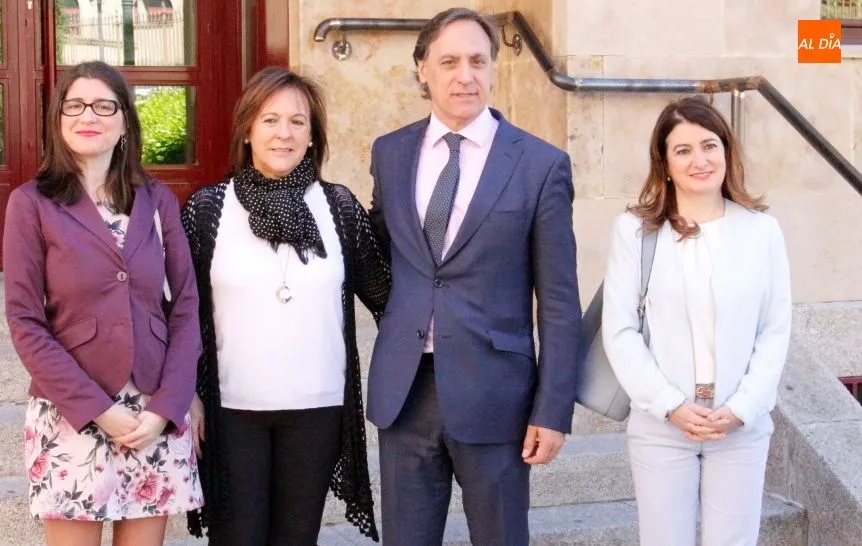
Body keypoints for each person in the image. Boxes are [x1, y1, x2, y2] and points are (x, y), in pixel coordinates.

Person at [366, 7, 581, 545]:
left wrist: (552, 410)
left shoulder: (540, 164)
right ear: (422, 70)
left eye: (477, 61)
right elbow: (378, 258)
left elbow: (557, 301)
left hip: (498, 396)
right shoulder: (390, 154)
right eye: (449, 61)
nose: (465, 74)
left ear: (493, 68)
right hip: (406, 392)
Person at [182, 66, 389, 545]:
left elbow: (388, 297)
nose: (284, 133)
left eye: (298, 121)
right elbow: (180, 313)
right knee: (237, 538)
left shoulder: (338, 207)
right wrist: (186, 393)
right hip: (231, 409)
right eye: (270, 119)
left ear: (313, 136)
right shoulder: (208, 209)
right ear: (248, 130)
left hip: (316, 407)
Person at [2, 61, 203, 546]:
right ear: (58, 119)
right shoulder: (32, 204)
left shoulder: (157, 201)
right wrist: (98, 409)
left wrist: (170, 403)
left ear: (124, 121)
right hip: (74, 408)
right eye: (74, 105)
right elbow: (25, 320)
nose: (87, 115)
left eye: (103, 105)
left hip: (150, 413)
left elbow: (186, 307)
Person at [601, 96, 792, 545]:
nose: (699, 160)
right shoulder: (634, 230)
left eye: (709, 145)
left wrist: (742, 408)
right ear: (664, 163)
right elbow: (621, 330)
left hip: (739, 425)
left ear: (726, 152)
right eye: (682, 150)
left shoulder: (762, 232)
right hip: (662, 424)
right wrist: (669, 404)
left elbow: (775, 329)